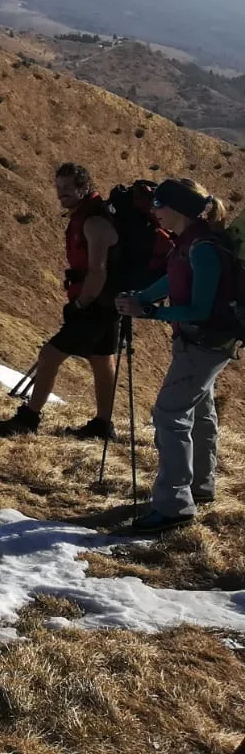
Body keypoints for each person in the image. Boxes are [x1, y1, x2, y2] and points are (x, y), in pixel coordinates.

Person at [116, 178, 241, 532]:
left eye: (158, 205)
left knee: (170, 414)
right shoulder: (191, 242)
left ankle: (174, 505)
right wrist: (141, 297)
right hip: (207, 343)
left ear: (176, 209)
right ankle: (200, 487)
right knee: (200, 411)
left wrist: (150, 312)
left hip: (202, 344)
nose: (154, 212)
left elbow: (199, 308)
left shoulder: (201, 248)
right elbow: (173, 281)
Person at [0, 163, 121, 438]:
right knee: (102, 361)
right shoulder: (89, 216)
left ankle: (29, 418)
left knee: (50, 355)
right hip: (106, 304)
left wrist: (80, 305)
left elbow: (98, 271)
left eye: (67, 188)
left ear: (84, 187)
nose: (61, 193)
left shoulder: (94, 222)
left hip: (94, 305)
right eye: (59, 188)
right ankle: (102, 425)